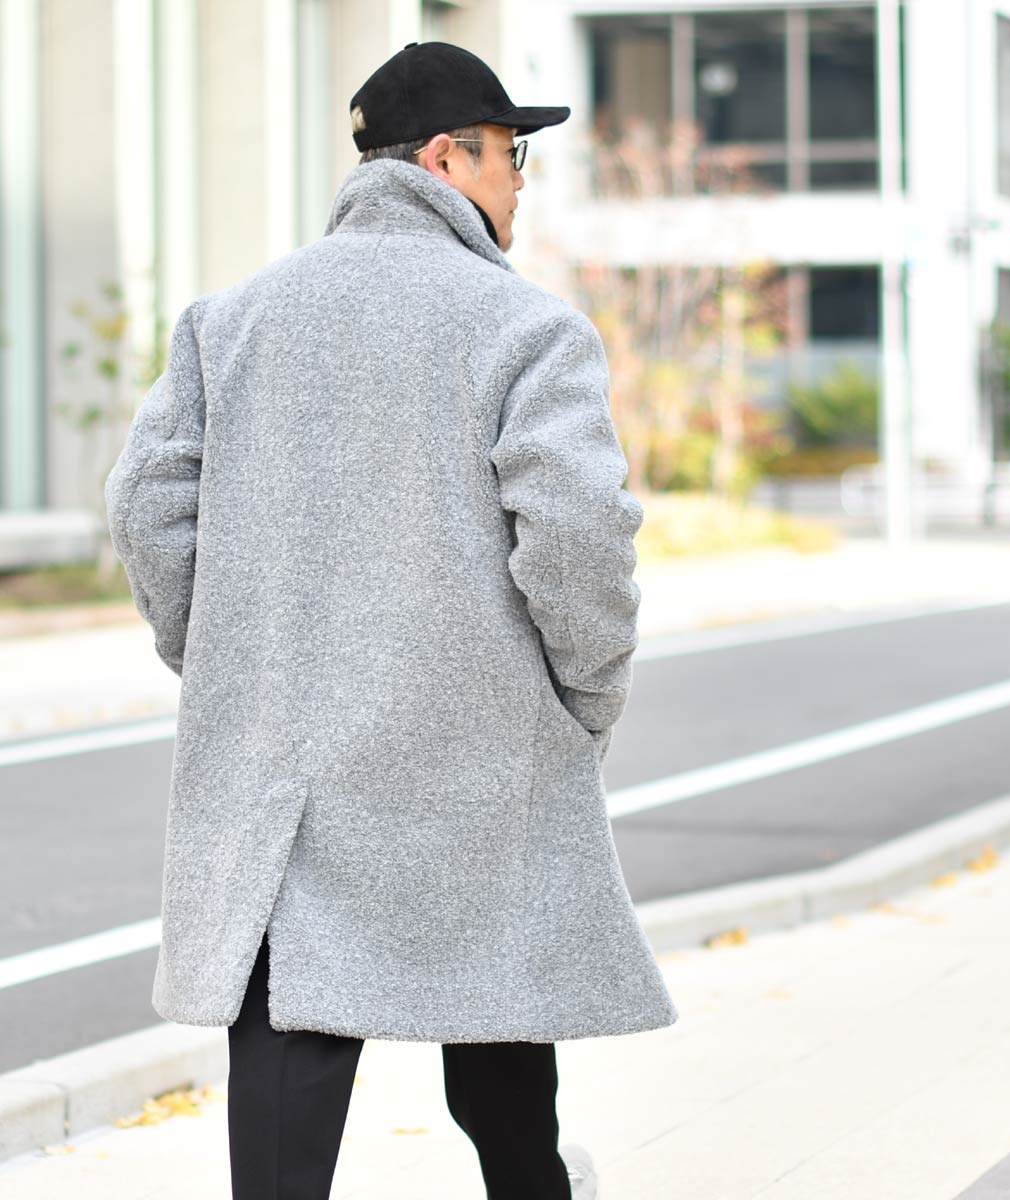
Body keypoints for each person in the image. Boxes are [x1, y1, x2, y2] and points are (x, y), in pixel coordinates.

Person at [104, 38, 677, 1200]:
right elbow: (577, 540)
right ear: (446, 158)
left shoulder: (231, 320)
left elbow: (145, 506)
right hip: (478, 763)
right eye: (511, 154)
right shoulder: (526, 329)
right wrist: (583, 698)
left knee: (289, 1061)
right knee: (506, 1063)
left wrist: (226, 656)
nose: (520, 182)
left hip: (286, 765)